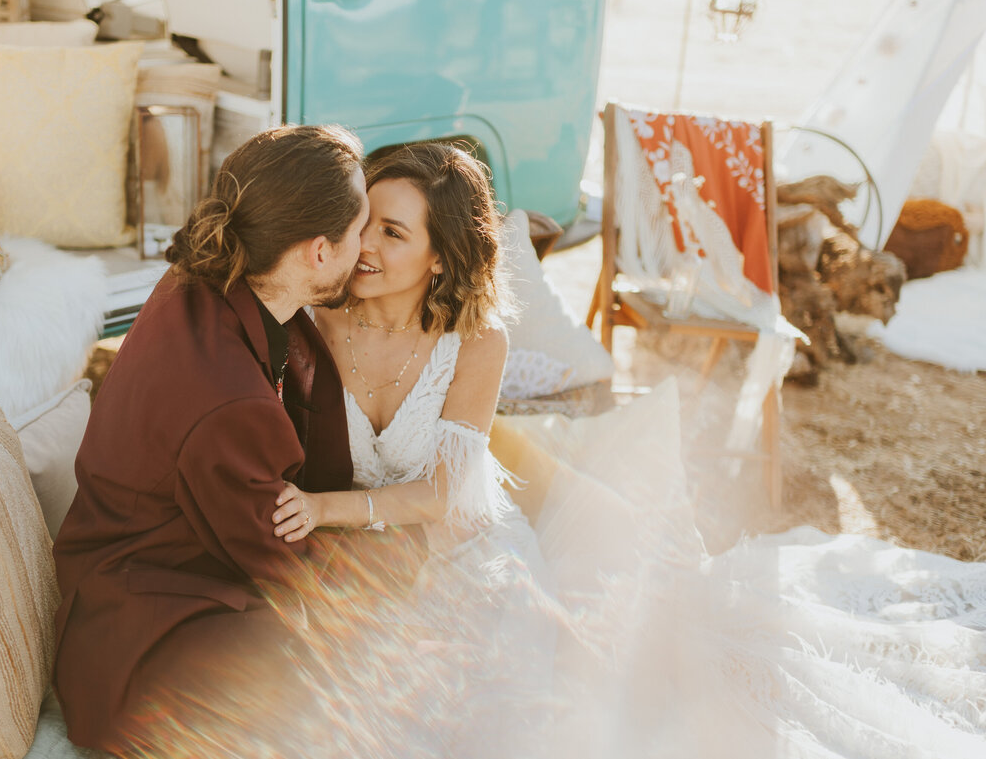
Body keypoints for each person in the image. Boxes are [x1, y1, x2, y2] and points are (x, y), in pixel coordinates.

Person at [271, 141, 986, 759]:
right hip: (368, 554)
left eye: (392, 233)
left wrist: (320, 507)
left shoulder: (478, 342)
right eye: (365, 222)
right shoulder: (316, 317)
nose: (363, 245)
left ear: (439, 257)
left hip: (463, 551)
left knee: (503, 706)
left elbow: (448, 493)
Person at [51, 124, 424, 757]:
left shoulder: (201, 279)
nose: (367, 244)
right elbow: (286, 568)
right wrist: (393, 572)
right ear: (317, 251)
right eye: (360, 226)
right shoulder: (228, 405)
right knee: (367, 677)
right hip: (139, 651)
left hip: (121, 582)